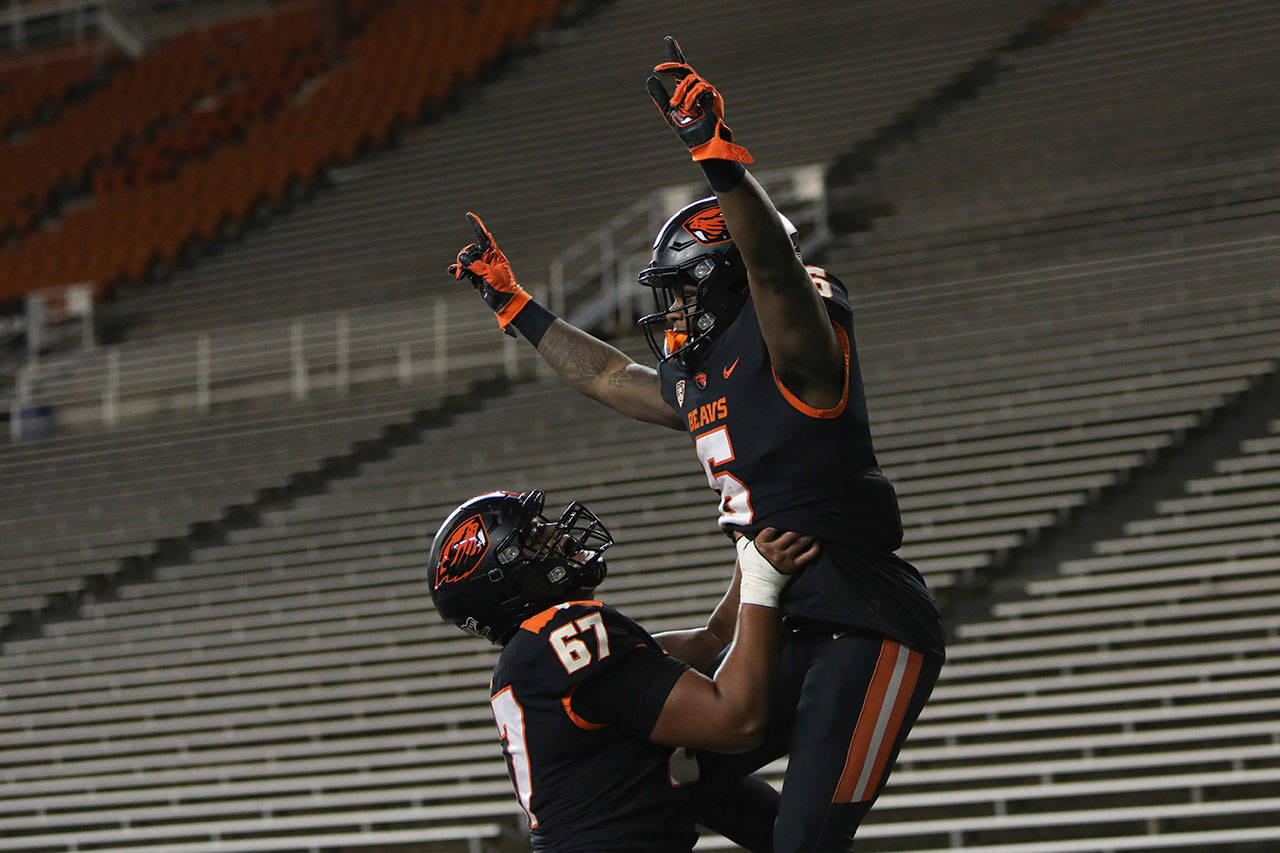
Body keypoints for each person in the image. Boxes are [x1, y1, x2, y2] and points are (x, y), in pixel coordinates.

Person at [447, 37, 947, 851]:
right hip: (800, 621)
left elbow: (775, 270)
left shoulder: (796, 354)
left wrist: (715, 155)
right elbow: (609, 377)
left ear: (729, 276)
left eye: (684, 290)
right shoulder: (706, 375)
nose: (672, 314)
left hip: (866, 618)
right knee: (680, 768)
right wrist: (517, 310)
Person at [428, 488, 815, 852]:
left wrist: (751, 554)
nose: (558, 535)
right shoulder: (565, 636)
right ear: (509, 585)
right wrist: (763, 581)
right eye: (532, 539)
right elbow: (737, 721)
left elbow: (713, 640)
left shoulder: (539, 657)